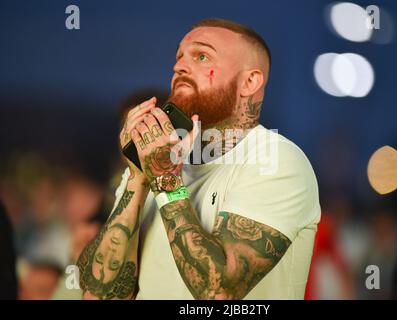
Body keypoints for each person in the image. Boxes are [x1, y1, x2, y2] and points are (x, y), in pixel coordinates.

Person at [77, 18, 320, 300]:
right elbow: (99, 294)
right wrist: (138, 178)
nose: (178, 66)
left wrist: (164, 179)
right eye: (178, 57)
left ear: (250, 81)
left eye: (201, 56)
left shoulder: (276, 159)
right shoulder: (157, 162)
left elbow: (219, 292)